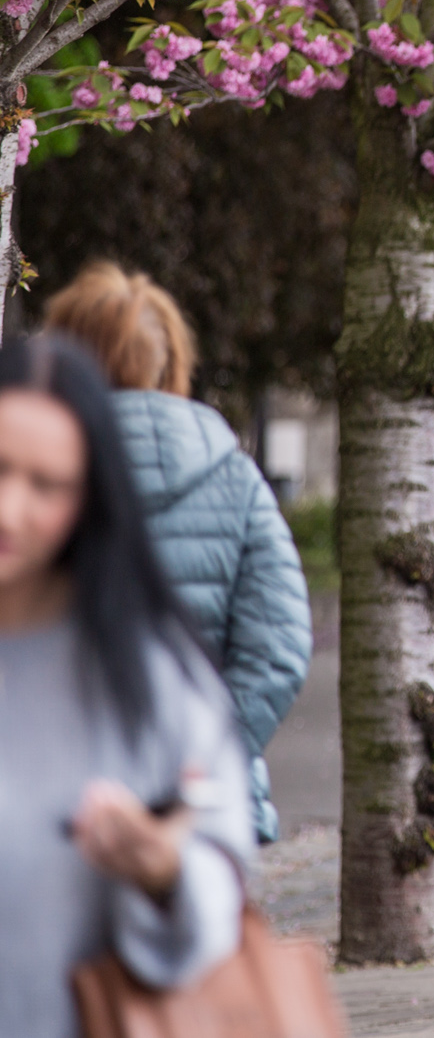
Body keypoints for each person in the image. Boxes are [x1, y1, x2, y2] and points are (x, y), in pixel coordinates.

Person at [0, 334, 256, 1038]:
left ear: (89, 498)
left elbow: (221, 891)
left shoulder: (153, 673)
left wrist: (163, 865)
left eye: (44, 485)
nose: (8, 508)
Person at [43, 262, 311, 845]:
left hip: (58, 805)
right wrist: (204, 766)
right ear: (169, 361)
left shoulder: (35, 479)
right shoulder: (236, 478)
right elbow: (280, 647)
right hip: (203, 817)